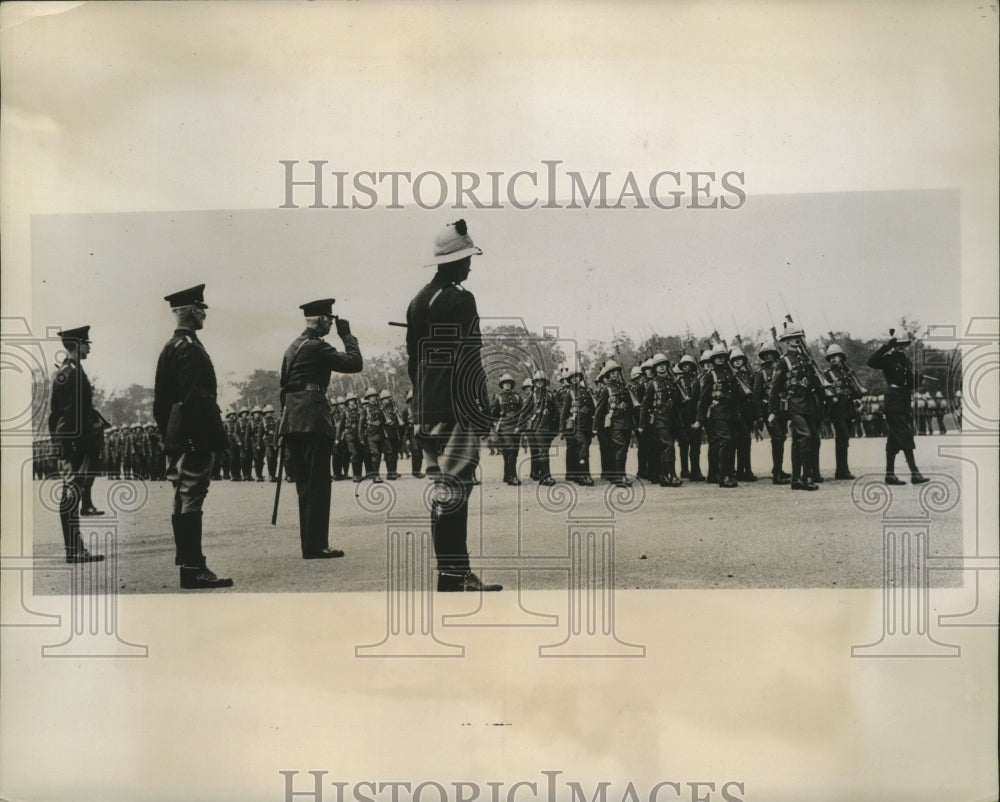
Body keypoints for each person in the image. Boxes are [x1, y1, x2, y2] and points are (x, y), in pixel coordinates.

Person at [406, 219, 501, 592]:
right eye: (466, 259)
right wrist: (480, 406)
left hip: (427, 407)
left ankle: (450, 573)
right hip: (455, 407)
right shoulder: (461, 299)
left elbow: (413, 360)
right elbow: (469, 358)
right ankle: (456, 575)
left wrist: (423, 399)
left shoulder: (417, 301)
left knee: (444, 488)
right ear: (454, 262)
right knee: (457, 486)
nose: (470, 265)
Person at [153, 285, 233, 588]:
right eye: (201, 308)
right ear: (189, 311)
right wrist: (198, 440)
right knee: (191, 494)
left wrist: (170, 435)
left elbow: (161, 402)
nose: (204, 313)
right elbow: (194, 399)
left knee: (182, 495)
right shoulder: (188, 347)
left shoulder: (171, 347)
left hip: (179, 433)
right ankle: (193, 567)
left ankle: (188, 562)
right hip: (194, 433)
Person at [278, 298, 363, 558]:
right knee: (318, 483)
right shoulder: (316, 346)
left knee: (305, 484)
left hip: (293, 419)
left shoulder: (293, 347)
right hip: (313, 418)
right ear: (323, 320)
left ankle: (310, 544)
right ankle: (317, 546)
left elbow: (284, 386)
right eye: (329, 320)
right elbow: (354, 363)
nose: (330, 325)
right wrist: (347, 336)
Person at [48, 325, 106, 562]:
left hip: (68, 441)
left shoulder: (67, 370)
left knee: (72, 493)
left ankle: (75, 548)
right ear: (78, 345)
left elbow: (55, 414)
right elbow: (72, 414)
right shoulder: (72, 373)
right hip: (75, 443)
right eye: (87, 344)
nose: (89, 349)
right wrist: (75, 445)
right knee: (71, 493)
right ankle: (74, 550)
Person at [867, 333, 929, 485]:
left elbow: (908, 384)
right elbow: (871, 362)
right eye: (899, 344)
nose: (902, 347)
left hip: (903, 401)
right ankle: (915, 473)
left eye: (904, 344)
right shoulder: (888, 358)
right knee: (906, 435)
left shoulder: (905, 361)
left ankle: (890, 475)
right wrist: (886, 347)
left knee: (893, 440)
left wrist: (918, 379)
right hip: (894, 401)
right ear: (894, 345)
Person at [768, 328, 825, 491]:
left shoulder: (805, 359)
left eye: (798, 338)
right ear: (786, 342)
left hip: (808, 403)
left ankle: (796, 479)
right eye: (792, 338)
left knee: (804, 440)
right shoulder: (783, 361)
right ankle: (806, 478)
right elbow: (775, 388)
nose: (795, 340)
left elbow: (814, 381)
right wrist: (772, 411)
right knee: (805, 436)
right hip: (794, 403)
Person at [695, 344, 749, 488]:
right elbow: (703, 398)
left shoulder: (731, 374)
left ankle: (729, 473)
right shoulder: (710, 375)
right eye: (717, 357)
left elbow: (737, 395)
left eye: (722, 357)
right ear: (713, 359)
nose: (720, 359)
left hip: (732, 413)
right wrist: (700, 419)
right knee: (726, 441)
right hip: (718, 412)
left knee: (731, 443)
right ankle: (723, 475)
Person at [639, 353, 685, 487]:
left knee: (669, 447)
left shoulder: (673, 383)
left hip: (673, 420)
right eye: (659, 366)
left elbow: (678, 403)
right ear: (655, 369)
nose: (662, 368)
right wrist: (642, 424)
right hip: (660, 420)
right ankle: (671, 474)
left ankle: (665, 475)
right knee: (668, 445)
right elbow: (645, 405)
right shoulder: (652, 384)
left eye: (663, 365)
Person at [752, 342, 791, 484]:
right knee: (778, 438)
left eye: (772, 354)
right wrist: (759, 416)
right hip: (767, 411)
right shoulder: (761, 374)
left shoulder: (782, 370)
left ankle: (777, 469)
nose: (769, 357)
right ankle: (777, 476)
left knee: (782, 437)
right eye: (766, 354)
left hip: (782, 409)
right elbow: (756, 396)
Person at [593, 360, 635, 488]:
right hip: (615, 423)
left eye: (616, 372)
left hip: (627, 422)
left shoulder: (624, 387)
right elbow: (600, 409)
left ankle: (620, 475)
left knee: (624, 449)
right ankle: (619, 477)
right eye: (611, 373)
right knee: (620, 448)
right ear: (607, 375)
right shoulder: (607, 389)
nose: (614, 375)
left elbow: (631, 406)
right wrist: (595, 427)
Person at [824, 343, 862, 479]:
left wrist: (857, 399)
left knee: (845, 439)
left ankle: (843, 469)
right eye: (831, 357)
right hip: (836, 410)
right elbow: (825, 391)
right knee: (843, 436)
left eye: (836, 356)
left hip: (848, 409)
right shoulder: (827, 374)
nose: (833, 359)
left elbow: (853, 389)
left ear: (841, 358)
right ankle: (841, 470)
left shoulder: (846, 373)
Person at [516, 370, 559, 485]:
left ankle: (541, 476)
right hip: (537, 428)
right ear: (535, 383)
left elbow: (557, 410)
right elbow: (524, 412)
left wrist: (558, 426)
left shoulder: (550, 395)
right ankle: (546, 477)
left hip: (549, 428)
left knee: (544, 450)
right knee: (543, 450)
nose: (540, 383)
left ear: (545, 382)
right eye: (538, 381)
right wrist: (519, 426)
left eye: (542, 381)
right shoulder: (532, 395)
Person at [559, 368, 595, 485]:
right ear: (570, 380)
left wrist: (588, 409)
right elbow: (564, 412)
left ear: (580, 378)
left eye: (577, 376)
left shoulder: (587, 391)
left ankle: (577, 474)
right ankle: (585, 475)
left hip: (587, 425)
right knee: (582, 448)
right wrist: (561, 430)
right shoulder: (570, 392)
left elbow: (593, 408)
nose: (575, 379)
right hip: (575, 425)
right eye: (572, 377)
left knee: (583, 449)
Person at [491, 373, 523, 485]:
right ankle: (512, 476)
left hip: (516, 427)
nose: (507, 385)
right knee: (510, 450)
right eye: (505, 383)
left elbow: (522, 413)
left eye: (509, 383)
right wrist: (495, 425)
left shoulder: (517, 397)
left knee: (514, 452)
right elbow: (493, 413)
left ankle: (506, 474)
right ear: (502, 385)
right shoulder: (498, 397)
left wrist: (520, 426)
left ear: (511, 384)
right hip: (504, 427)